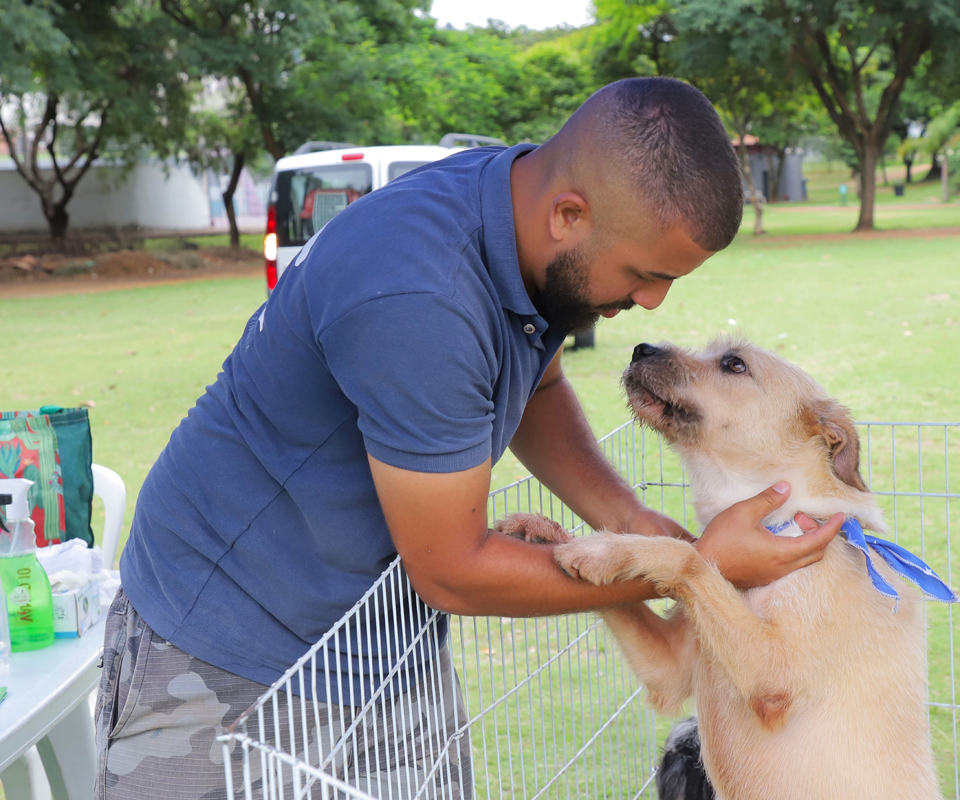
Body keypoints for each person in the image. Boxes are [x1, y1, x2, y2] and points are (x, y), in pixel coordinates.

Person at [96, 77, 844, 800]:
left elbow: (535, 387)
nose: (653, 301)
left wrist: (629, 522)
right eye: (645, 273)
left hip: (383, 642)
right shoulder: (419, 297)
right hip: (225, 657)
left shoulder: (521, 220)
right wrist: (695, 568)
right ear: (569, 215)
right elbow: (453, 570)